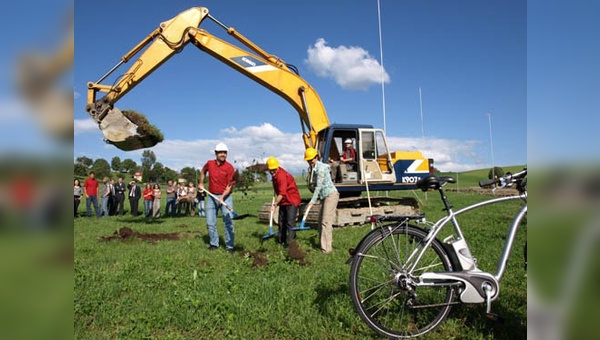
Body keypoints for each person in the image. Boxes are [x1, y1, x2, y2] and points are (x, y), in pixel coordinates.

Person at [199, 142, 236, 252]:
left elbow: (229, 186)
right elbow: (203, 171)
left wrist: (222, 197)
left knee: (228, 222)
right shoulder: (210, 164)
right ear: (216, 153)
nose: (223, 154)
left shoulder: (229, 167)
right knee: (210, 222)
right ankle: (214, 244)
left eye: (225, 152)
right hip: (211, 196)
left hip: (226, 196)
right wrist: (201, 182)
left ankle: (230, 246)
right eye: (220, 152)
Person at [304, 147, 340, 253]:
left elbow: (318, 187)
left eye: (311, 159)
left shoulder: (321, 168)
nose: (309, 162)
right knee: (320, 221)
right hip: (324, 196)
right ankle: (323, 244)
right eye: (308, 160)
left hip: (331, 195)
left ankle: (326, 250)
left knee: (325, 222)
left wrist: (312, 201)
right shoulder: (314, 169)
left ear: (316, 157)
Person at [267, 157, 301, 247]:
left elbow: (282, 193)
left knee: (290, 222)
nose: (272, 172)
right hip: (283, 201)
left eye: (274, 170)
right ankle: (281, 241)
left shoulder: (281, 176)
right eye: (270, 170)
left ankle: (290, 244)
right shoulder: (274, 176)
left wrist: (274, 205)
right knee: (281, 221)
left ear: (277, 167)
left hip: (291, 200)